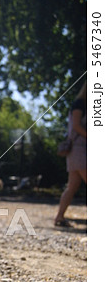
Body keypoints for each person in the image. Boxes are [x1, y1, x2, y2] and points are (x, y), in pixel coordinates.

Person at [54, 81, 87, 227]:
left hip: (79, 150)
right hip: (79, 149)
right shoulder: (80, 104)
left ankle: (59, 217)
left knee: (72, 185)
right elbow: (76, 126)